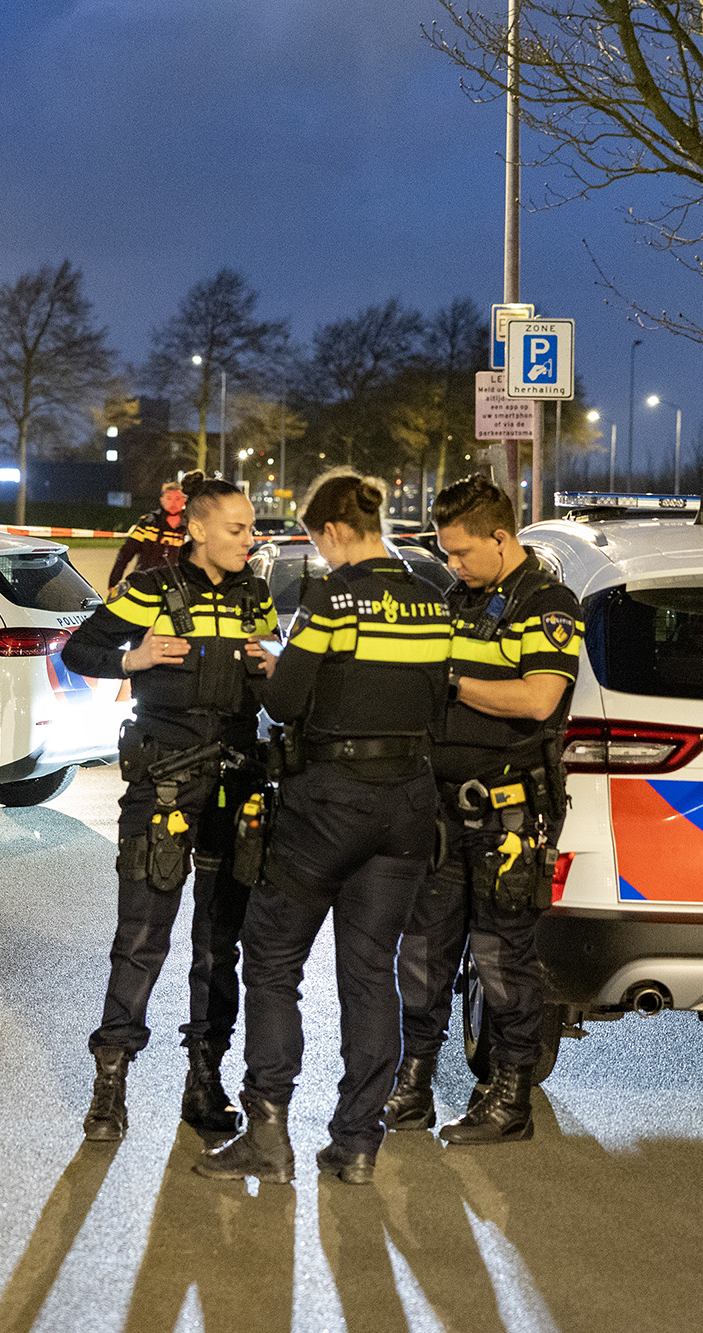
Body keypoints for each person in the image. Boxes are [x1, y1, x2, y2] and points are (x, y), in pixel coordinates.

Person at [196, 469, 451, 1187]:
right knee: (371, 972)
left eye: (316, 538)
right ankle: (357, 1142)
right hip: (407, 806)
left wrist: (287, 667)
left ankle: (268, 1132)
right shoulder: (433, 603)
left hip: (330, 804)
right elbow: (436, 700)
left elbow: (284, 696)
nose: (320, 550)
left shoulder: (330, 598)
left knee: (273, 957)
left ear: (333, 531)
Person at [61, 471, 278, 1143]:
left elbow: (269, 678)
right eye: (238, 528)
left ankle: (204, 1083)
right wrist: (136, 656)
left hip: (235, 787)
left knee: (220, 948)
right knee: (142, 939)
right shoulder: (152, 590)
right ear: (201, 530)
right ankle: (110, 1085)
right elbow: (80, 648)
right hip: (163, 788)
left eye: (251, 528)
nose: (250, 538)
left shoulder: (256, 595)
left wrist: (272, 664)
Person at [384, 473, 581, 1145]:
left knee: (503, 960)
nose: (453, 564)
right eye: (445, 552)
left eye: (463, 551)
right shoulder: (453, 599)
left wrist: (452, 681)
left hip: (508, 816)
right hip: (440, 812)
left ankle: (509, 1098)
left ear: (502, 537)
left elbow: (537, 700)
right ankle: (412, 1083)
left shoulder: (549, 604)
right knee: (423, 953)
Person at [107, 481, 189, 592]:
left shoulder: (190, 527)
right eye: (169, 498)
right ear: (162, 500)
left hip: (177, 587)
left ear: (184, 500)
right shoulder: (148, 524)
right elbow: (125, 554)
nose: (173, 503)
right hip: (145, 583)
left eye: (178, 499)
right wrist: (114, 582)